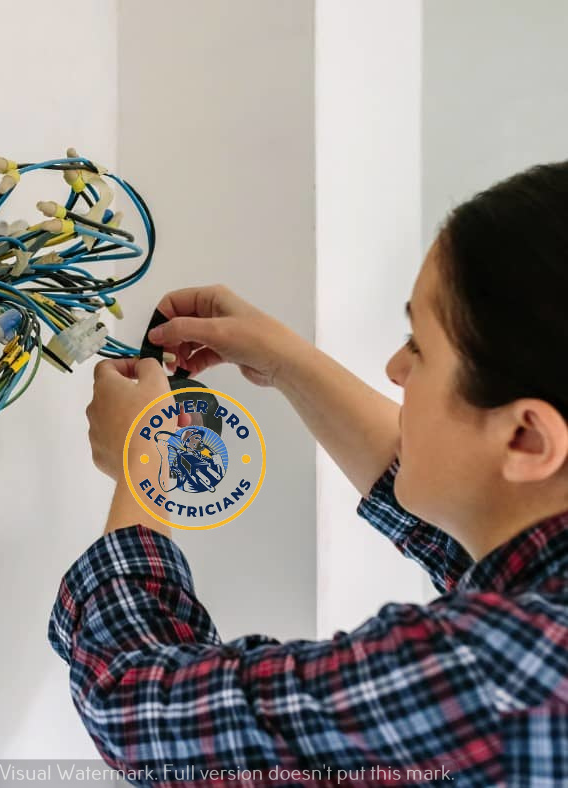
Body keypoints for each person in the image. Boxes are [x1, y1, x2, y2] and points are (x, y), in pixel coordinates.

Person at [48, 161, 568, 786]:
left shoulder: (505, 676)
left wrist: (145, 460)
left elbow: (137, 711)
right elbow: (470, 506)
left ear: (526, 437)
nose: (395, 367)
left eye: (421, 345)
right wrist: (284, 359)